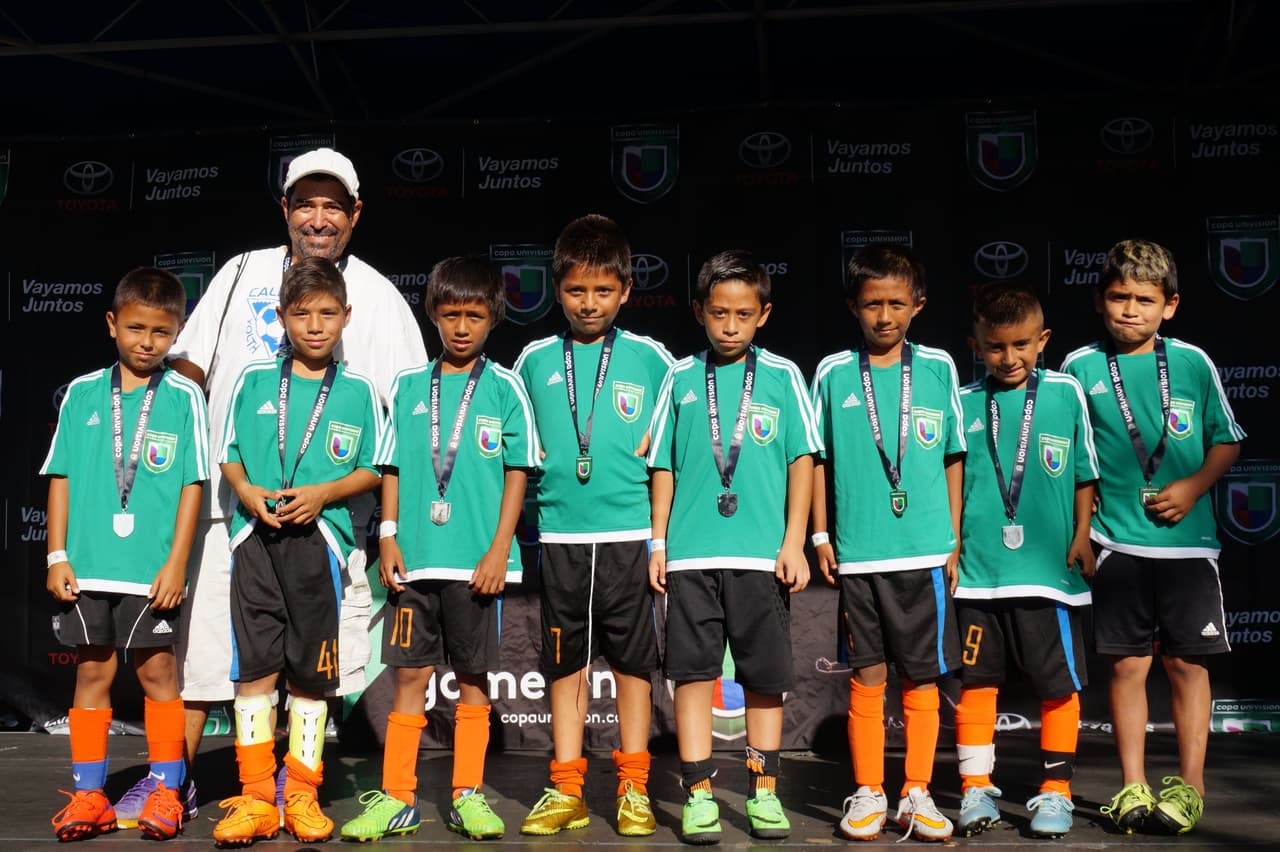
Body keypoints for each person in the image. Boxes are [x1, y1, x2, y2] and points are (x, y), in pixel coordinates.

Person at [117, 147, 425, 827]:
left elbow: (410, 416)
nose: (319, 218)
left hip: (329, 522)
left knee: (311, 667)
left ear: (355, 214)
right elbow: (189, 372)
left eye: (333, 205)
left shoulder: (377, 296)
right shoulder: (240, 274)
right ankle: (175, 782)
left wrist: (388, 519)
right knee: (202, 656)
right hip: (231, 513)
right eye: (306, 203)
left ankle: (297, 786)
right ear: (284, 210)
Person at [340, 256, 540, 842]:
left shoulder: (506, 389)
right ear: (432, 314)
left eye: (473, 316)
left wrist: (500, 550)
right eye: (450, 315)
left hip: (477, 564)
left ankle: (468, 795)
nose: (460, 328)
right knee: (408, 678)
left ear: (493, 318)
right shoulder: (406, 387)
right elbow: (392, 466)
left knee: (473, 679)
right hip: (415, 560)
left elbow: (517, 473)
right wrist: (388, 535)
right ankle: (398, 797)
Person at [1061, 239, 1244, 836]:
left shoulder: (1192, 362)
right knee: (1127, 669)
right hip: (1117, 544)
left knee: (1189, 666)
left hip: (1188, 546)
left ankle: (1191, 789)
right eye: (1118, 297)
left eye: (1144, 299)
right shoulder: (1078, 368)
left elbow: (1228, 438)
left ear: (1170, 305)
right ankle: (1132, 786)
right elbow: (1075, 464)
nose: (1130, 310)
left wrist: (1193, 486)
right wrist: (1083, 534)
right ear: (1099, 300)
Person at [647, 250, 821, 845]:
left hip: (760, 557)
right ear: (699, 311)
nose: (729, 326)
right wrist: (658, 542)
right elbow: (663, 465)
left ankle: (764, 793)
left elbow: (804, 460)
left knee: (763, 679)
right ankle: (698, 795)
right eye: (718, 313)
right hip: (692, 557)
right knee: (692, 676)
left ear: (763, 315)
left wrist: (794, 541)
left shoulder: (783, 376)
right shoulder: (678, 377)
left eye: (743, 314)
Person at [211, 257, 386, 845]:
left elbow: (374, 470)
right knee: (254, 672)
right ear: (281, 317)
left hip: (323, 546)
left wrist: (323, 494)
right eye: (302, 313)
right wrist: (245, 490)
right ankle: (257, 796)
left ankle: (303, 793)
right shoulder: (254, 380)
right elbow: (229, 452)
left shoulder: (360, 390)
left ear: (346, 317)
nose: (315, 325)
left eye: (327, 313)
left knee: (313, 677)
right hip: (254, 541)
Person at [513, 214, 673, 838]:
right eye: (577, 290)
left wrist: (662, 535)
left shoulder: (652, 359)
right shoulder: (532, 360)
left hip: (631, 536)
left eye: (603, 291)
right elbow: (516, 451)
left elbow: (673, 451)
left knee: (634, 664)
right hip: (559, 537)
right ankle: (567, 787)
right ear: (558, 290)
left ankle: (633, 788)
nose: (589, 303)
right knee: (566, 666)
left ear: (626, 291)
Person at [42, 268, 209, 841]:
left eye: (161, 332)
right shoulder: (83, 394)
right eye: (135, 328)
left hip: (151, 568)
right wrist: (56, 555)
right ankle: (90, 794)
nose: (146, 342)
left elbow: (194, 483)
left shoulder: (186, 396)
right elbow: (59, 476)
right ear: (112, 324)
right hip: (86, 565)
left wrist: (176, 564)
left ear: (177, 332)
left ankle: (166, 791)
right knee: (94, 669)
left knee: (158, 670)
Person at [809, 243, 964, 842]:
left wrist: (951, 539)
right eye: (872, 303)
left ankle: (918, 791)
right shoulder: (831, 372)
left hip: (925, 554)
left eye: (897, 303)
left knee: (922, 680)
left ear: (918, 305)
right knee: (868, 676)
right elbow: (817, 459)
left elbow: (954, 455)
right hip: (859, 554)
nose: (884, 316)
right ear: (853, 305)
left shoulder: (939, 368)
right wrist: (821, 533)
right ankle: (870, 790)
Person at [952, 282, 1098, 839]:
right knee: (977, 684)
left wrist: (1083, 535)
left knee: (1057, 685)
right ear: (976, 345)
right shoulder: (962, 402)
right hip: (978, 577)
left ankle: (1055, 792)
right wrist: (953, 548)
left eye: (1020, 345)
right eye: (995, 347)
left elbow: (1085, 473)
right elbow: (953, 483)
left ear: (1044, 341)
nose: (1008, 358)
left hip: (1047, 575)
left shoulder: (1064, 394)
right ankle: (974, 789)